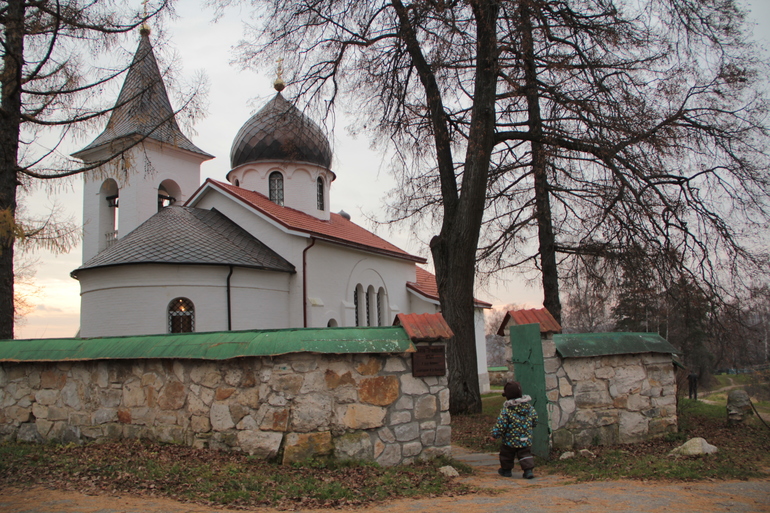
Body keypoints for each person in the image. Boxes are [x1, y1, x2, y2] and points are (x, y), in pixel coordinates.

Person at [488, 381, 538, 479]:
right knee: (525, 453)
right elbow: (535, 418)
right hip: (525, 437)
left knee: (507, 454)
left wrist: (494, 435)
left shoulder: (507, 410)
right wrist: (531, 426)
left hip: (510, 439)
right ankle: (528, 471)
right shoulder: (529, 408)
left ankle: (506, 470)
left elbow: (501, 424)